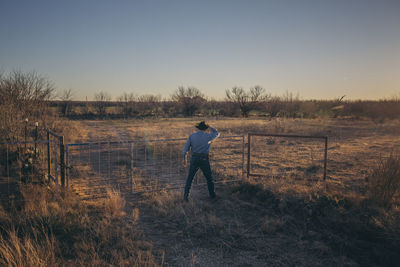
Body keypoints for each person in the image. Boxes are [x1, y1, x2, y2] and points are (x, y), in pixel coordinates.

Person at [182, 121, 220, 201]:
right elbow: (217, 133)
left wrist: (184, 158)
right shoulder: (208, 136)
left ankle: (186, 197)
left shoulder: (192, 136)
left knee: (190, 178)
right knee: (209, 178)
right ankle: (212, 195)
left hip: (194, 158)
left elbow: (185, 149)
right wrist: (210, 126)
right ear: (206, 129)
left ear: (198, 128)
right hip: (204, 158)